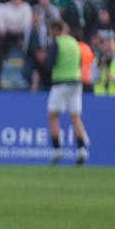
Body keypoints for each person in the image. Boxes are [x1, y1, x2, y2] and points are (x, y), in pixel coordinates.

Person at [46, 19, 89, 165]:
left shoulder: (57, 42)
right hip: (76, 82)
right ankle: (82, 149)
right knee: (75, 117)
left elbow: (50, 62)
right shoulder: (74, 42)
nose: (49, 33)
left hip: (60, 82)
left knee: (53, 115)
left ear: (56, 30)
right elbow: (79, 62)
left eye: (50, 30)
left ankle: (57, 150)